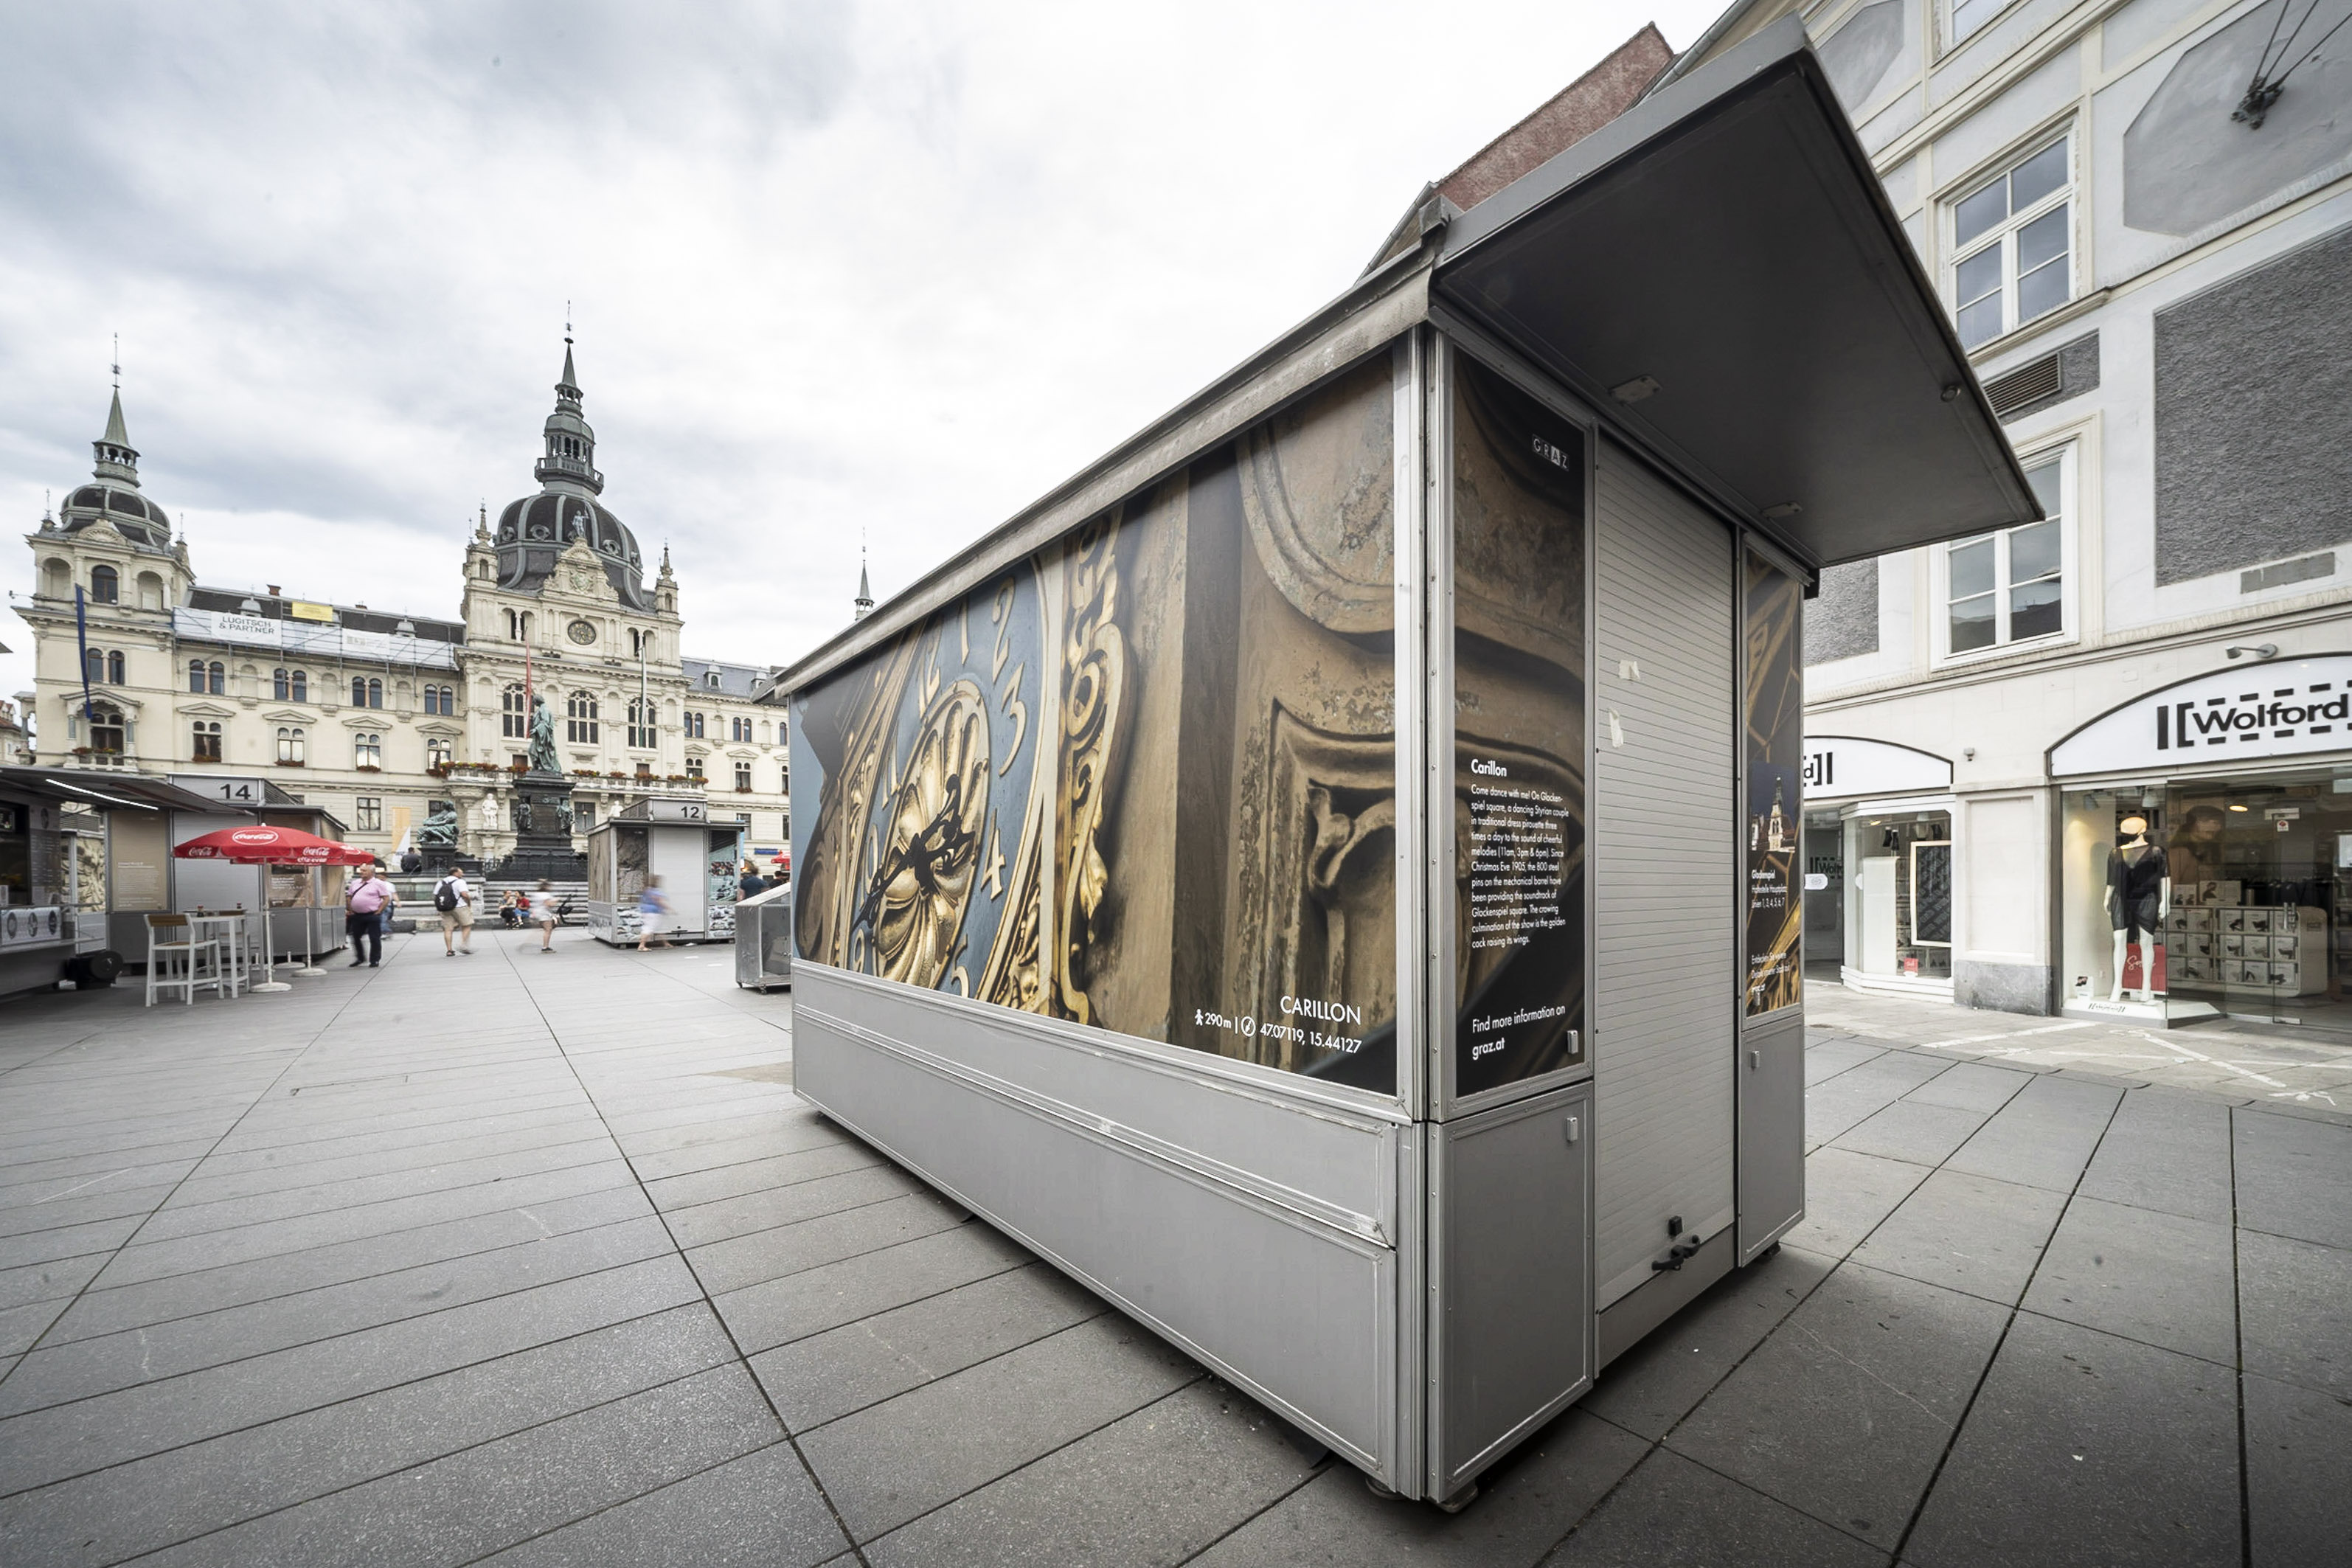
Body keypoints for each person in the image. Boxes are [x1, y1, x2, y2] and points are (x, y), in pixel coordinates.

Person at [343, 864, 393, 968]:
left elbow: (386, 898)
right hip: (357, 915)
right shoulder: (355, 883)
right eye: (361, 870)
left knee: (374, 938)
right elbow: (349, 896)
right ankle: (360, 958)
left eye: (364, 870)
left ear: (372, 872)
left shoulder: (378, 883)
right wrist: (350, 908)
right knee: (355, 937)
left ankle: (374, 960)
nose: (361, 872)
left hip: (372, 915)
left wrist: (379, 911)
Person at [434, 868, 475, 956]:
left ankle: (449, 950)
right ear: (455, 873)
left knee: (448, 929)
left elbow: (436, 895)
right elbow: (464, 894)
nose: (462, 873)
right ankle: (463, 945)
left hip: (445, 908)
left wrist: (439, 907)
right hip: (460, 906)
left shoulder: (441, 882)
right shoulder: (460, 882)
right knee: (467, 925)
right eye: (461, 872)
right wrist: (469, 903)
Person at [636, 875, 672, 951]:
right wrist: (669, 909)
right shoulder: (656, 892)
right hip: (654, 913)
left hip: (646, 911)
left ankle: (666, 943)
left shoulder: (647, 890)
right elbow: (659, 901)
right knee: (648, 928)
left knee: (659, 928)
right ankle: (641, 946)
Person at [530, 878, 558, 952]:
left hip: (539, 914)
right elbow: (549, 904)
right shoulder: (545, 895)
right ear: (546, 887)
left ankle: (545, 946)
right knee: (548, 930)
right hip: (544, 915)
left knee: (548, 930)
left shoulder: (537, 894)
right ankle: (545, 947)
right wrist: (556, 900)